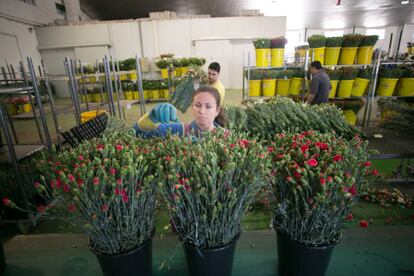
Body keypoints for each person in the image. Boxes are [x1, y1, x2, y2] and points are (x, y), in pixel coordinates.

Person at [134, 86, 226, 138]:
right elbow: (136, 134)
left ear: (217, 110)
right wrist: (150, 119)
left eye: (208, 106)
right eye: (197, 105)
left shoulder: (226, 136)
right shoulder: (178, 130)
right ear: (192, 107)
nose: (202, 111)